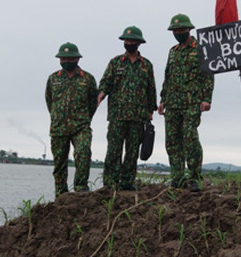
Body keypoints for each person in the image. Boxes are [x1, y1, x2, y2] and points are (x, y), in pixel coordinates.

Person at [158, 13, 214, 192]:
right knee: (172, 142)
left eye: (181, 29)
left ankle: (195, 177)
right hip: (173, 103)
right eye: (175, 30)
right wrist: (163, 100)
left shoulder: (200, 48)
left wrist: (206, 98)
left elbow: (208, 74)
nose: (178, 32)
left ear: (189, 29)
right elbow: (168, 76)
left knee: (190, 137)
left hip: (192, 102)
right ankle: (177, 177)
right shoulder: (173, 52)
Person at [97, 26, 157, 191]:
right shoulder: (115, 63)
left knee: (132, 151)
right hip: (117, 114)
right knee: (114, 150)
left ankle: (127, 182)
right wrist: (101, 94)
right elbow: (105, 82)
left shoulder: (146, 65)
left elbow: (151, 89)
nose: (129, 43)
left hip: (138, 115)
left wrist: (151, 110)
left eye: (132, 41)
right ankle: (110, 182)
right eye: (126, 40)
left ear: (138, 43)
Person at [45, 42, 98, 196]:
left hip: (81, 126)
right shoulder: (53, 78)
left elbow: (92, 102)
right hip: (58, 127)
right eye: (63, 59)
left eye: (70, 58)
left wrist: (85, 118)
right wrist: (57, 116)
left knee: (83, 153)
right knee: (59, 162)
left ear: (77, 59)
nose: (66, 61)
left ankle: (81, 187)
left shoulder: (87, 79)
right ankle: (61, 193)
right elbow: (49, 100)